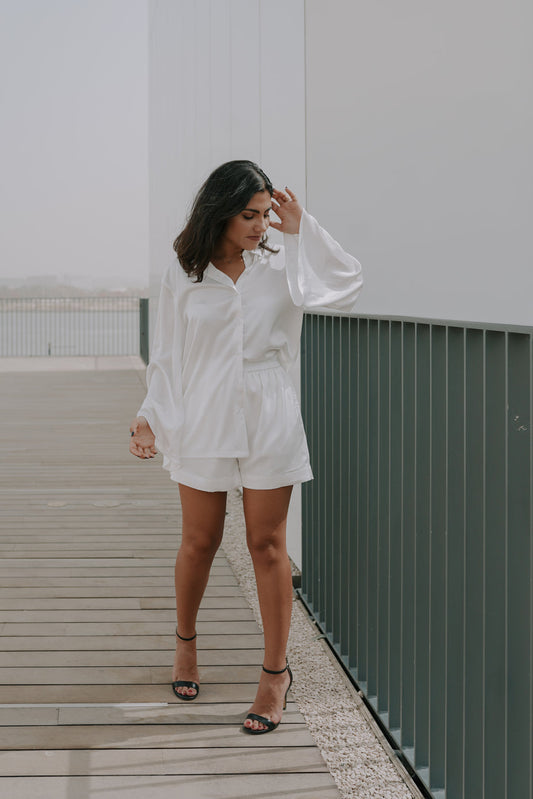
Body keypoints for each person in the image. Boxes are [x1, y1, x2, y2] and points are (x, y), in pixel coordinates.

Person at [129, 160, 362, 734]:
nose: (261, 225)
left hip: (268, 408)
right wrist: (149, 417)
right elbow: (168, 354)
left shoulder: (282, 263)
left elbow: (346, 284)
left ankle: (275, 674)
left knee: (267, 544)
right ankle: (186, 645)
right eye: (249, 215)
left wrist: (302, 228)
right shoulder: (184, 272)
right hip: (203, 406)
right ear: (220, 213)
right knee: (200, 540)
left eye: (265, 214)